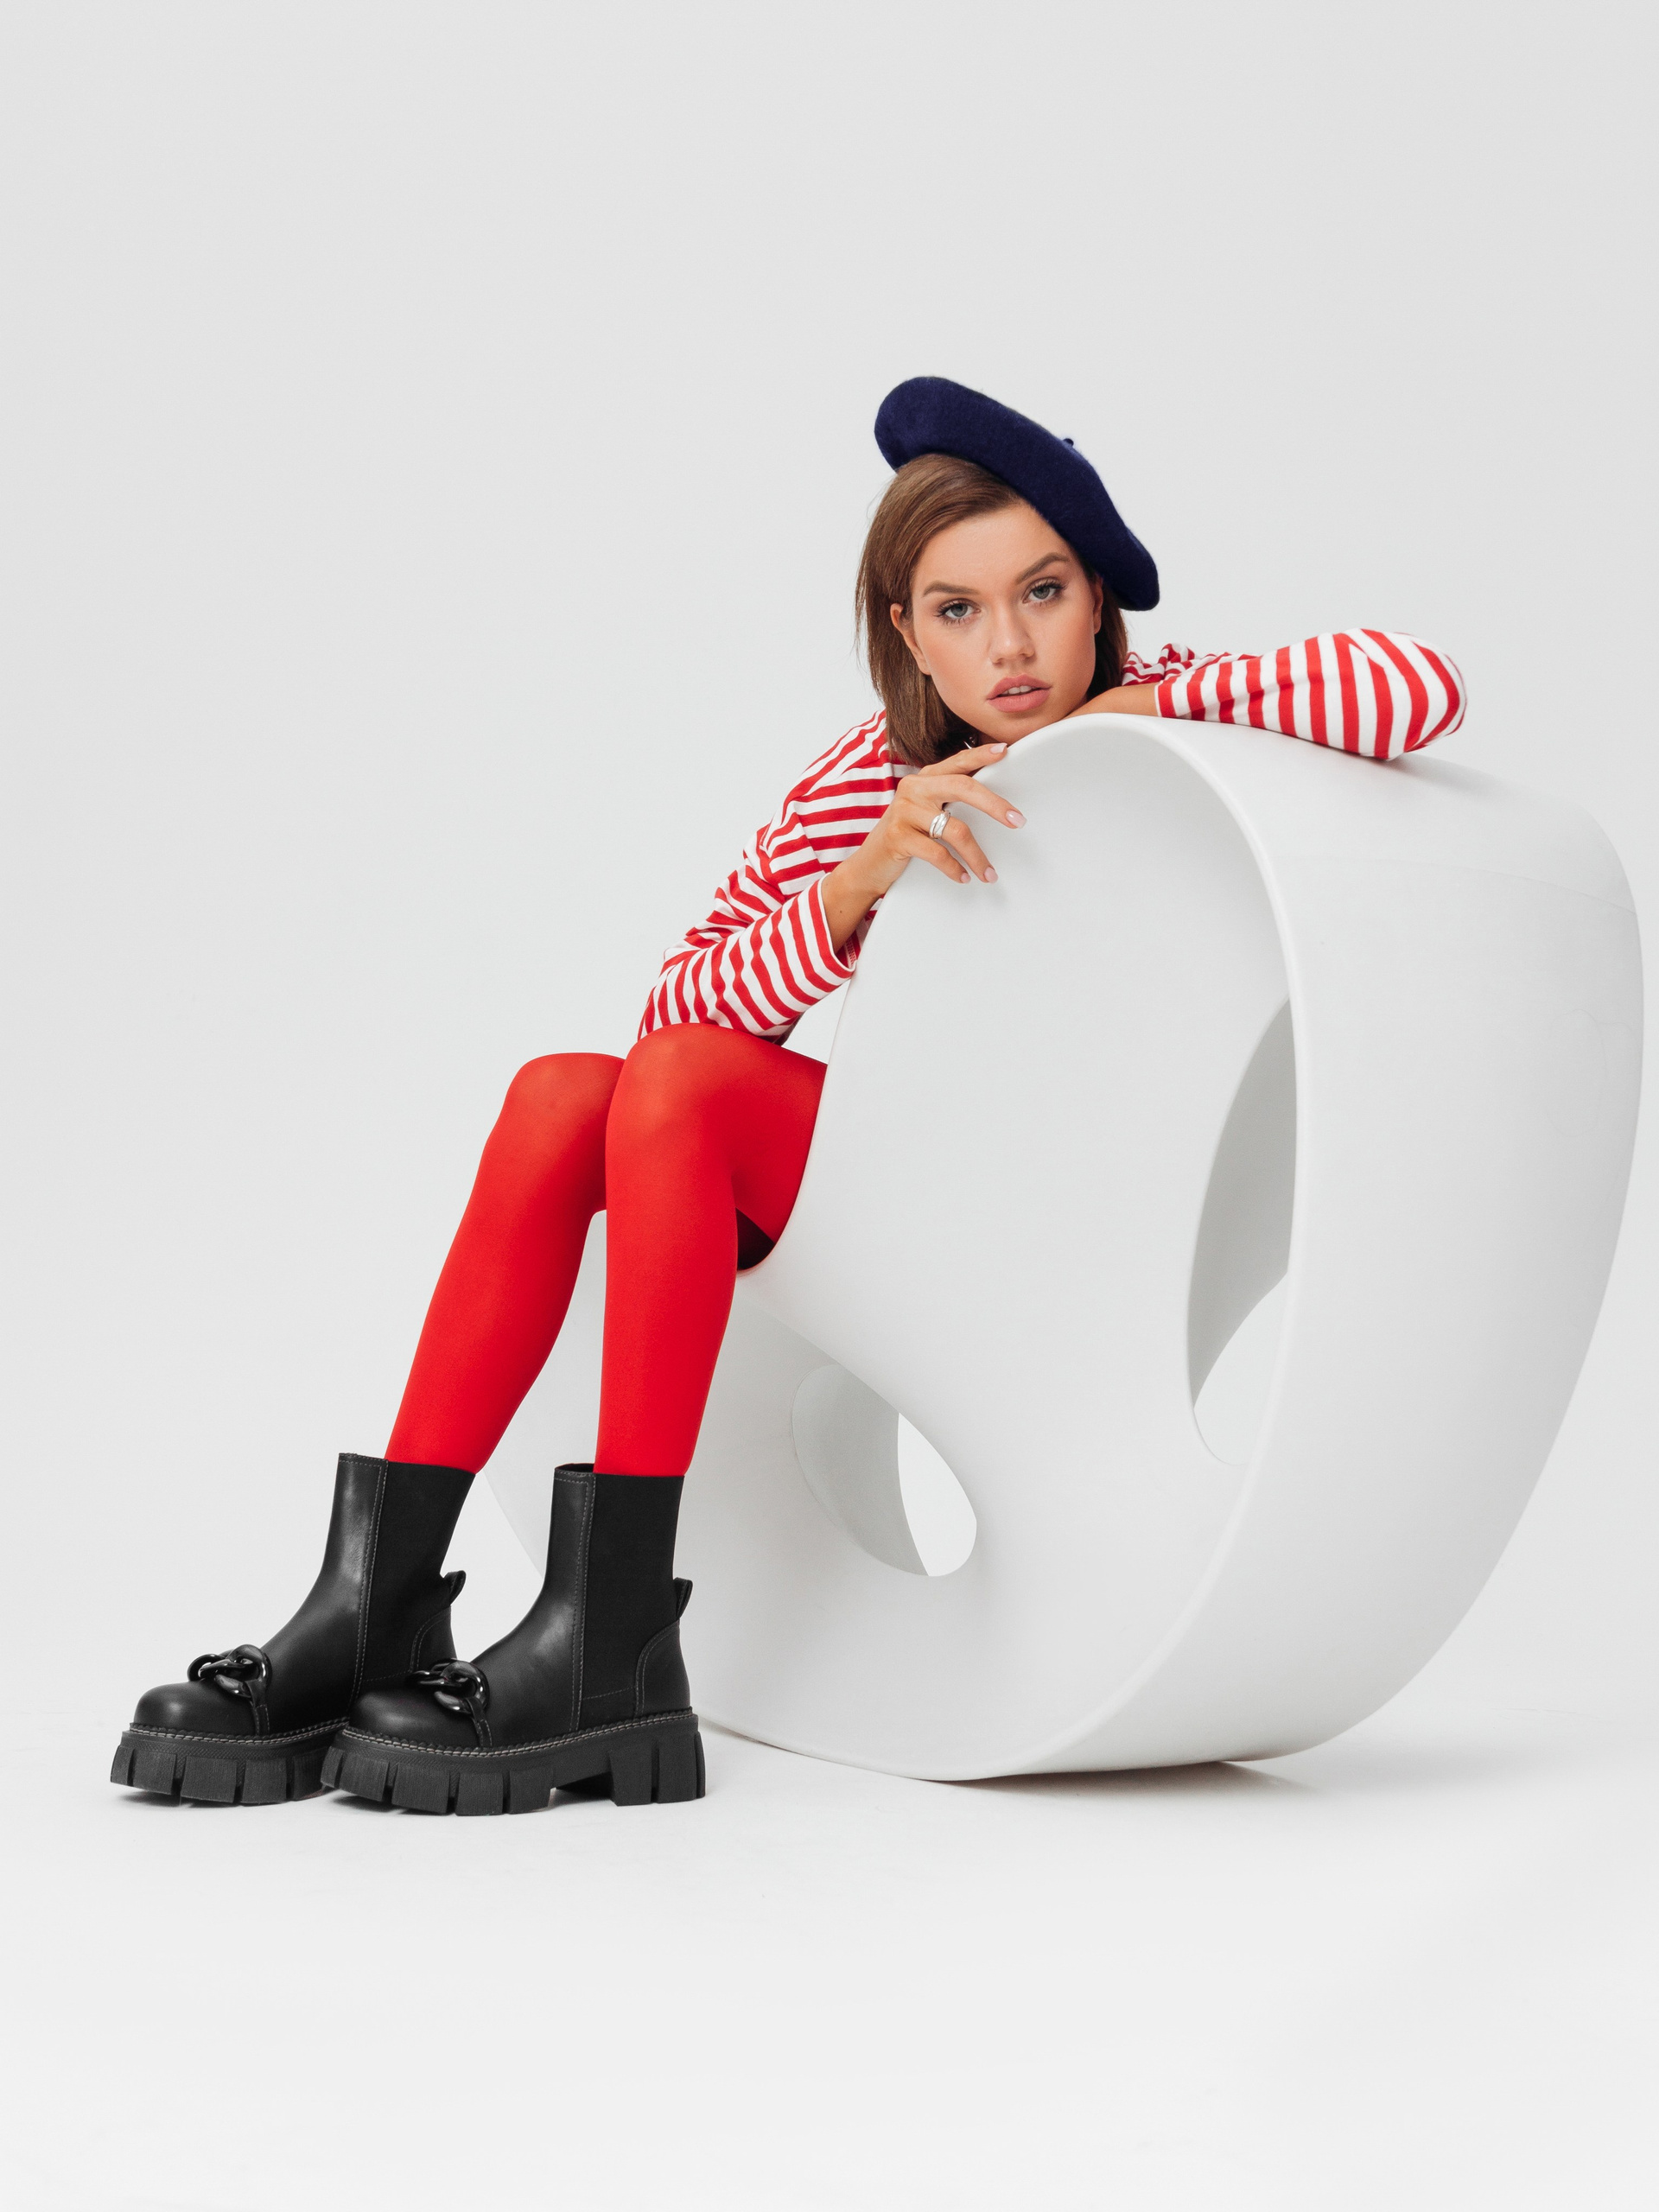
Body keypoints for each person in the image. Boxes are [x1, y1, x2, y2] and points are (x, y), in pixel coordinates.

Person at [111, 377, 1465, 1816]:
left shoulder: (1189, 710)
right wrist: (855, 885)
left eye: (1044, 592)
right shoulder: (862, 778)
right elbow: (673, 1014)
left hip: (1069, 1214)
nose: (1009, 647)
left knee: (678, 1083)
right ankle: (378, 1611)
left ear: (1098, 593)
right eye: (957, 610)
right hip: (900, 1187)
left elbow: (1415, 683)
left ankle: (608, 1644)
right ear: (906, 630)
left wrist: (1120, 720)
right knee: (565, 1097)